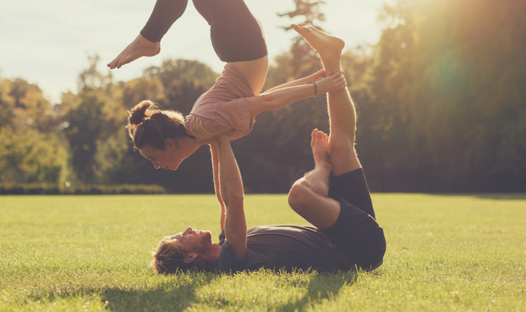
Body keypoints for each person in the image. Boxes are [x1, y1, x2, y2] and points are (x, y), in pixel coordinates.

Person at [149, 24, 385, 274]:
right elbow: (234, 199)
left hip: (351, 229)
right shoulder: (229, 261)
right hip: (356, 252)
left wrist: (212, 140)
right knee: (299, 196)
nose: (187, 230)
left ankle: (331, 55)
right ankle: (322, 167)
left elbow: (222, 198)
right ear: (190, 257)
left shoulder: (226, 240)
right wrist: (219, 138)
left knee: (340, 145)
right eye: (182, 238)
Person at [111, 0, 347, 171]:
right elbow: (261, 99)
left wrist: (316, 88)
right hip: (241, 44)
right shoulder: (202, 132)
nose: (156, 165)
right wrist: (313, 80)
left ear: (170, 143)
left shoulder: (206, 123)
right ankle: (149, 40)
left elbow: (268, 101)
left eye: (154, 158)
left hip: (242, 44)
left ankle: (149, 40)